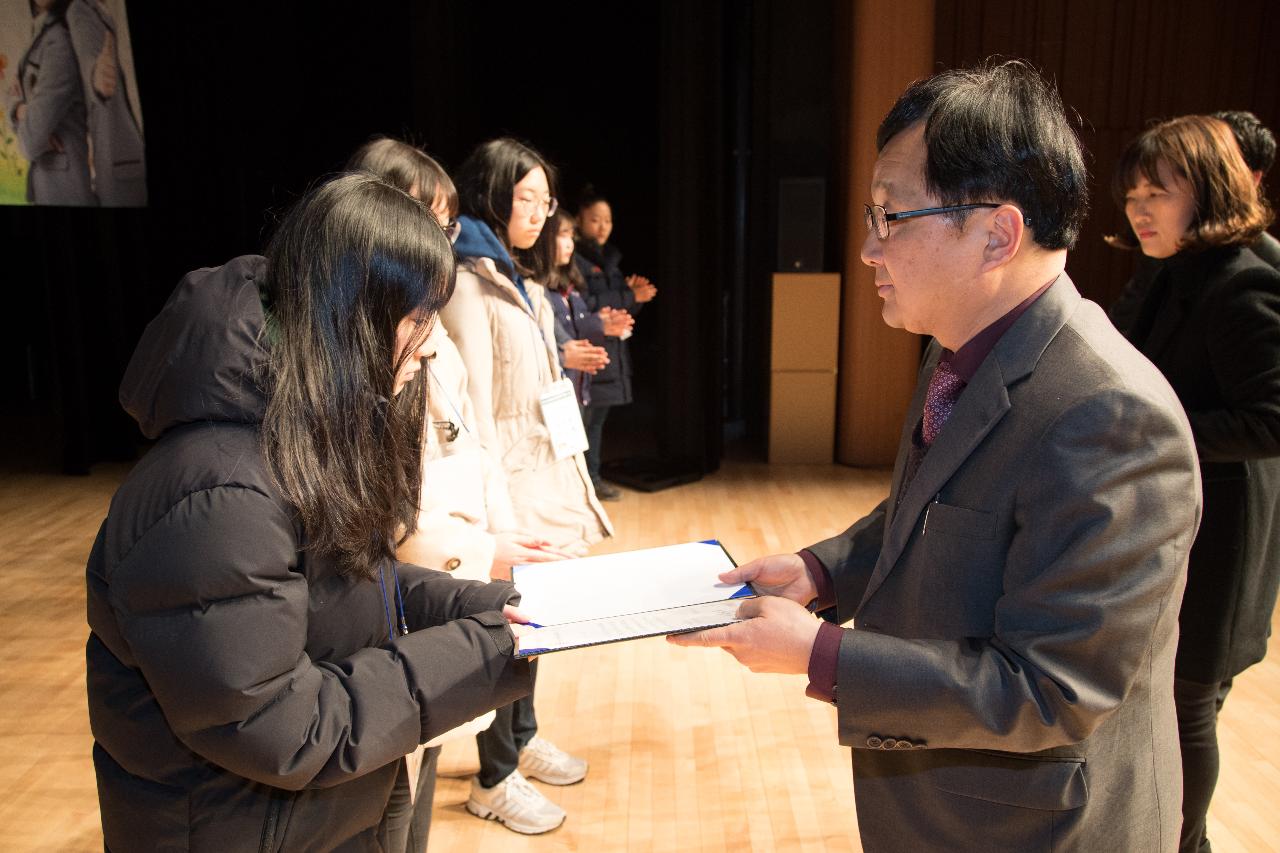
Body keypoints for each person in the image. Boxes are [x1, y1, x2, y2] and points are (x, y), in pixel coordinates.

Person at [670, 61, 1202, 852]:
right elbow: (934, 512)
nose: (866, 249)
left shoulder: (1109, 411)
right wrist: (823, 571)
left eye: (891, 217)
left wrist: (823, 653)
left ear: (997, 233)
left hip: (1039, 828)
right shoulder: (962, 350)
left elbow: (1050, 688)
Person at [86, 173, 534, 851]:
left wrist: (497, 607)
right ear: (353, 316)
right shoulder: (217, 496)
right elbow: (287, 727)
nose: (432, 345)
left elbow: (356, 588)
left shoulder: (297, 434)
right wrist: (490, 646)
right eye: (417, 319)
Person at [346, 136, 573, 851]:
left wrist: (499, 536)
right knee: (389, 787)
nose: (439, 240)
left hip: (461, 553)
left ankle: (509, 755)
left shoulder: (441, 313)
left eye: (444, 225)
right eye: (427, 222)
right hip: (403, 590)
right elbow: (384, 505)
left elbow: (468, 441)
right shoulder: (368, 345)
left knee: (429, 745)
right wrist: (484, 545)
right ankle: (499, 774)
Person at [1107, 114, 1280, 853]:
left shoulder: (1245, 282)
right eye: (1133, 193)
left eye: (1159, 192)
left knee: (1189, 705)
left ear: (1205, 192)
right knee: (1159, 700)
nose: (1139, 209)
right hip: (1173, 520)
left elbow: (1271, 421)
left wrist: (1158, 435)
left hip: (1223, 530)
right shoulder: (1166, 268)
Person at [441, 137, 612, 835]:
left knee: (539, 625)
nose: (541, 211)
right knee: (509, 628)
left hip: (540, 473)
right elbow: (475, 408)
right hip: (505, 485)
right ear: (491, 196)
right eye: (528, 198)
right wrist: (497, 518)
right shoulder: (465, 280)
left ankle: (524, 734)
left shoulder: (518, 278)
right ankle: (494, 774)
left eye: (546, 199)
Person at [573, 187, 657, 499]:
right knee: (581, 426)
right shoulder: (577, 260)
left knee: (595, 423)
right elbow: (586, 304)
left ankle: (591, 480)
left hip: (610, 353)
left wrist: (633, 297)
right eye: (595, 219)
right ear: (580, 220)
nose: (603, 226)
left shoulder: (611, 260)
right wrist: (629, 295)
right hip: (587, 354)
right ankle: (584, 484)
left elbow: (615, 311)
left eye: (607, 220)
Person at [5, 0, 95, 205]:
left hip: (65, 186)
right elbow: (9, 94)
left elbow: (29, 143)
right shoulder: (40, 36)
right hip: (46, 181)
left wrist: (24, 116)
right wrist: (21, 109)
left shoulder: (59, 43)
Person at [544, 208, 631, 415]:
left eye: (571, 236)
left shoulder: (570, 285)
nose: (569, 243)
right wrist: (598, 324)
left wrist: (604, 322)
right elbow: (557, 335)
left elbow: (574, 325)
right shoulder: (538, 288)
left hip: (577, 386)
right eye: (562, 235)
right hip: (556, 390)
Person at [66, 0, 146, 206]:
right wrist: (96, 77)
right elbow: (88, 57)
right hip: (117, 155)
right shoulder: (80, 8)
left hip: (128, 147)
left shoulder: (104, 8)